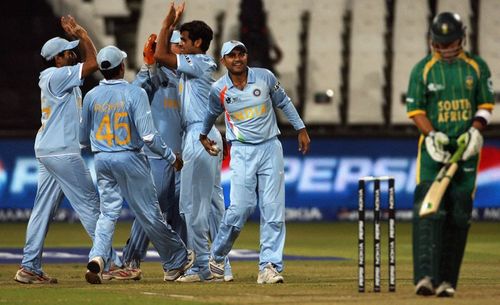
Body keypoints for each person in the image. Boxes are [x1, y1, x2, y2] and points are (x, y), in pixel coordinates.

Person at [13, 15, 126, 284]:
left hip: (49, 150)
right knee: (90, 205)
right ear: (57, 59)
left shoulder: (58, 77)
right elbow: (94, 63)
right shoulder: (57, 76)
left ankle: (30, 266)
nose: (73, 53)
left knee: (43, 210)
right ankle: (109, 263)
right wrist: (84, 35)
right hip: (62, 151)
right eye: (68, 52)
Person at [79, 45, 194, 284]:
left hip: (101, 159)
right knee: (150, 212)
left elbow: (82, 137)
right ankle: (177, 258)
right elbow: (149, 137)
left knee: (107, 213)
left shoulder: (91, 96)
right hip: (130, 157)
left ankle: (99, 257)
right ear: (122, 66)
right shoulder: (134, 93)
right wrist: (172, 158)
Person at [202, 40, 311, 284]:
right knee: (240, 208)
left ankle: (269, 266)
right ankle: (217, 256)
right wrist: (202, 135)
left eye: (241, 53)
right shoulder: (218, 89)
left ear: (246, 56)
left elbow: (283, 102)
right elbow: (211, 113)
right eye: (232, 56)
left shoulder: (265, 77)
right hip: (241, 151)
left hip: (271, 147)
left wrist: (300, 128)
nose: (237, 58)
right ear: (224, 61)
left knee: (273, 209)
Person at [406, 12, 494, 297]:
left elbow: (484, 104)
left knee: (458, 213)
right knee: (429, 210)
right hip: (435, 151)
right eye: (440, 44)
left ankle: (447, 281)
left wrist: (476, 131)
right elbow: (416, 109)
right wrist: (431, 135)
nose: (445, 49)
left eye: (450, 43)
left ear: (462, 38)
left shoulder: (476, 67)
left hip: (466, 151)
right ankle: (425, 278)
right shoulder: (423, 70)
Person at [154, 3, 232, 282]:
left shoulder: (197, 62)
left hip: (199, 136)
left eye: (184, 41)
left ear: (198, 43)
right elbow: (159, 61)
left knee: (190, 206)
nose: (181, 45)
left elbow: (161, 55)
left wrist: (167, 25)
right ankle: (221, 265)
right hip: (206, 134)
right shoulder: (195, 66)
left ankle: (202, 267)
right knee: (212, 204)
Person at [121, 30, 186, 271]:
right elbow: (133, 94)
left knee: (183, 208)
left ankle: (179, 262)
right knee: (153, 207)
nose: (181, 50)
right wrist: (147, 67)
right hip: (159, 155)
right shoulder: (156, 75)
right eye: (177, 46)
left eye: (183, 45)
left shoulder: (190, 76)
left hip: (185, 154)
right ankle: (131, 258)